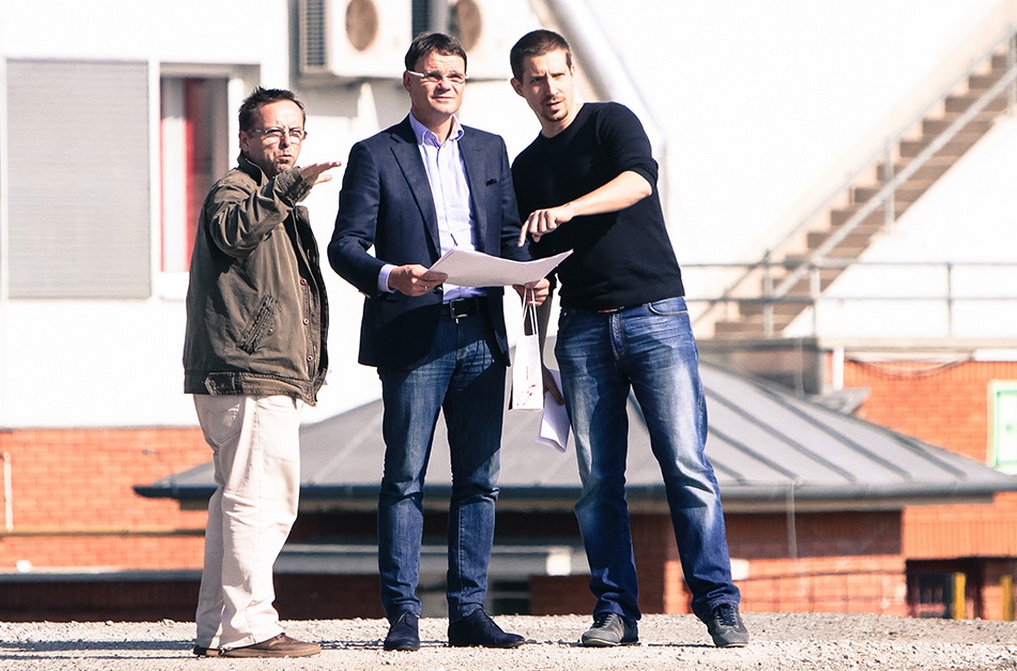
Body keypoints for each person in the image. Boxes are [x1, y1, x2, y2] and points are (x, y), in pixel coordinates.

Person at [508, 30, 749, 649]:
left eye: (557, 75)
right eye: (536, 79)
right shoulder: (525, 168)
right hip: (582, 329)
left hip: (655, 315)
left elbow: (639, 182)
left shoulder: (611, 122)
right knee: (597, 482)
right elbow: (539, 267)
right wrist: (533, 321)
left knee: (686, 464)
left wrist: (569, 209)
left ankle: (718, 603)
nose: (549, 88)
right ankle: (615, 611)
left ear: (572, 75)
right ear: (519, 88)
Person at [329, 32, 546, 652]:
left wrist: (527, 275)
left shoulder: (489, 148)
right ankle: (403, 614)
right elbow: (345, 246)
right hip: (414, 333)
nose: (444, 85)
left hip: (481, 332)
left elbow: (507, 235)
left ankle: (468, 612)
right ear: (409, 81)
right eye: (432, 75)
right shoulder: (376, 153)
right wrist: (389, 276)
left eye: (454, 76)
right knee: (404, 477)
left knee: (480, 478)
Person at [183, 87, 340, 658]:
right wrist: (289, 188)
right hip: (248, 373)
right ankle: (250, 627)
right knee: (260, 502)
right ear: (245, 138)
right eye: (273, 132)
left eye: (295, 132)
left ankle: (219, 628)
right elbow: (231, 230)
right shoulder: (238, 189)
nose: (286, 143)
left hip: (249, 373)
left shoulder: (270, 197)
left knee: (237, 501)